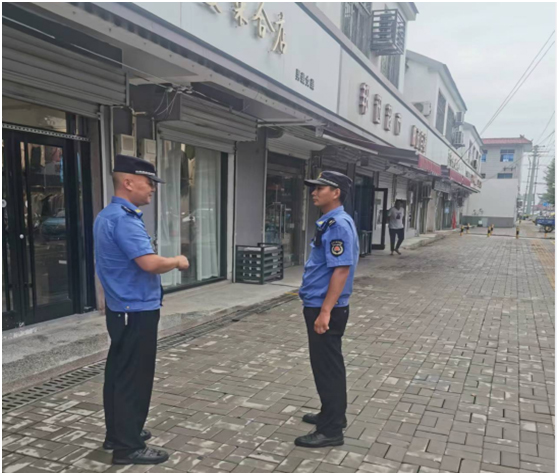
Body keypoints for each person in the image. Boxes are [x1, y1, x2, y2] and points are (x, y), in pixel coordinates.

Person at [94, 155, 189, 465]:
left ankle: (119, 433)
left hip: (122, 309)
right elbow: (149, 263)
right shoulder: (124, 219)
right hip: (135, 310)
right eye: (149, 183)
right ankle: (128, 447)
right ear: (128, 182)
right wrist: (177, 260)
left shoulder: (108, 215)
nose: (153, 189)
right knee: (134, 379)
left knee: (119, 374)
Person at [295, 171, 359, 448]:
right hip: (321, 304)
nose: (314, 192)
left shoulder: (338, 225)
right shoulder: (331, 222)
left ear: (336, 192)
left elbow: (341, 270)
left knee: (327, 368)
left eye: (320, 188)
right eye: (314, 188)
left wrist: (325, 312)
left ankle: (331, 430)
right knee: (326, 366)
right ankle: (332, 414)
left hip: (325, 307)